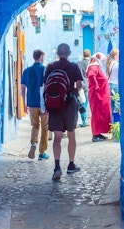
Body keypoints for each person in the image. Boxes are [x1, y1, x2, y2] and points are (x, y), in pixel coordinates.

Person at [44, 43, 82, 180]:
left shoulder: (50, 67)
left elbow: (46, 87)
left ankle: (57, 167)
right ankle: (71, 165)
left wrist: (47, 105)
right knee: (71, 134)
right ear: (69, 53)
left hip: (54, 104)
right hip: (69, 104)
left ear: (57, 54)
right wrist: (72, 91)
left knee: (57, 137)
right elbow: (79, 85)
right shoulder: (73, 67)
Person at [21, 49, 49, 160]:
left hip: (31, 103)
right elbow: (47, 87)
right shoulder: (45, 70)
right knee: (45, 127)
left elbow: (23, 89)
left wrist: (24, 104)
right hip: (43, 103)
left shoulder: (26, 71)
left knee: (35, 126)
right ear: (41, 57)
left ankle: (33, 144)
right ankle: (42, 152)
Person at [87, 52, 111, 142]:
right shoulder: (94, 67)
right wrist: (96, 86)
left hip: (100, 95)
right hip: (97, 95)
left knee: (100, 114)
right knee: (97, 114)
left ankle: (98, 133)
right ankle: (95, 134)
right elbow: (91, 76)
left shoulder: (96, 67)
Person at [77, 49, 91, 127]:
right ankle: (83, 121)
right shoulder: (89, 64)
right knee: (85, 103)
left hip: (79, 85)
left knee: (81, 102)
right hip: (87, 85)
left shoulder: (78, 63)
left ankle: (82, 120)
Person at [106, 49, 120, 116]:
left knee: (111, 106)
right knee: (117, 106)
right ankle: (116, 122)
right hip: (116, 85)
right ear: (115, 56)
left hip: (109, 85)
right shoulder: (117, 65)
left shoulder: (109, 63)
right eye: (118, 54)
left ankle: (112, 122)